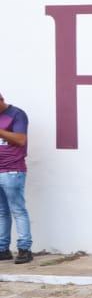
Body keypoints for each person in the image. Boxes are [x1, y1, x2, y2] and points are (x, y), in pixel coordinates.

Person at [0, 92, 32, 264]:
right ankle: (3, 249)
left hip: (12, 170)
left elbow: (20, 140)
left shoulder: (17, 114)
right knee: (1, 212)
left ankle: (25, 249)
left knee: (18, 210)